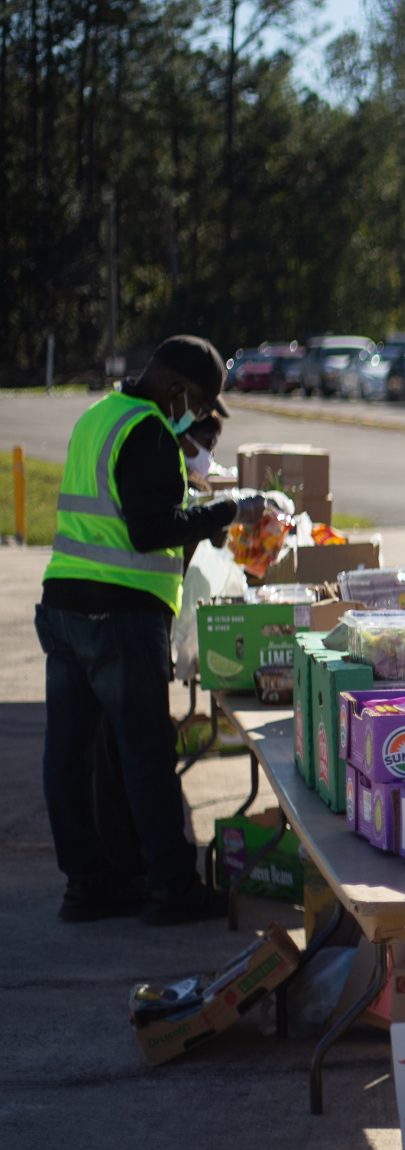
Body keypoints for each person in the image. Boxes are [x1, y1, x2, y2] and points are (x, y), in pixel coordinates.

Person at [39, 336, 262, 923]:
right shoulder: (149, 431)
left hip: (65, 607)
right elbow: (149, 529)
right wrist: (228, 511)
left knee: (71, 757)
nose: (198, 413)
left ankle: (88, 885)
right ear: (178, 389)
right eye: (200, 400)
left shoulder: (100, 417)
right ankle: (171, 887)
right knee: (144, 755)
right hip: (119, 617)